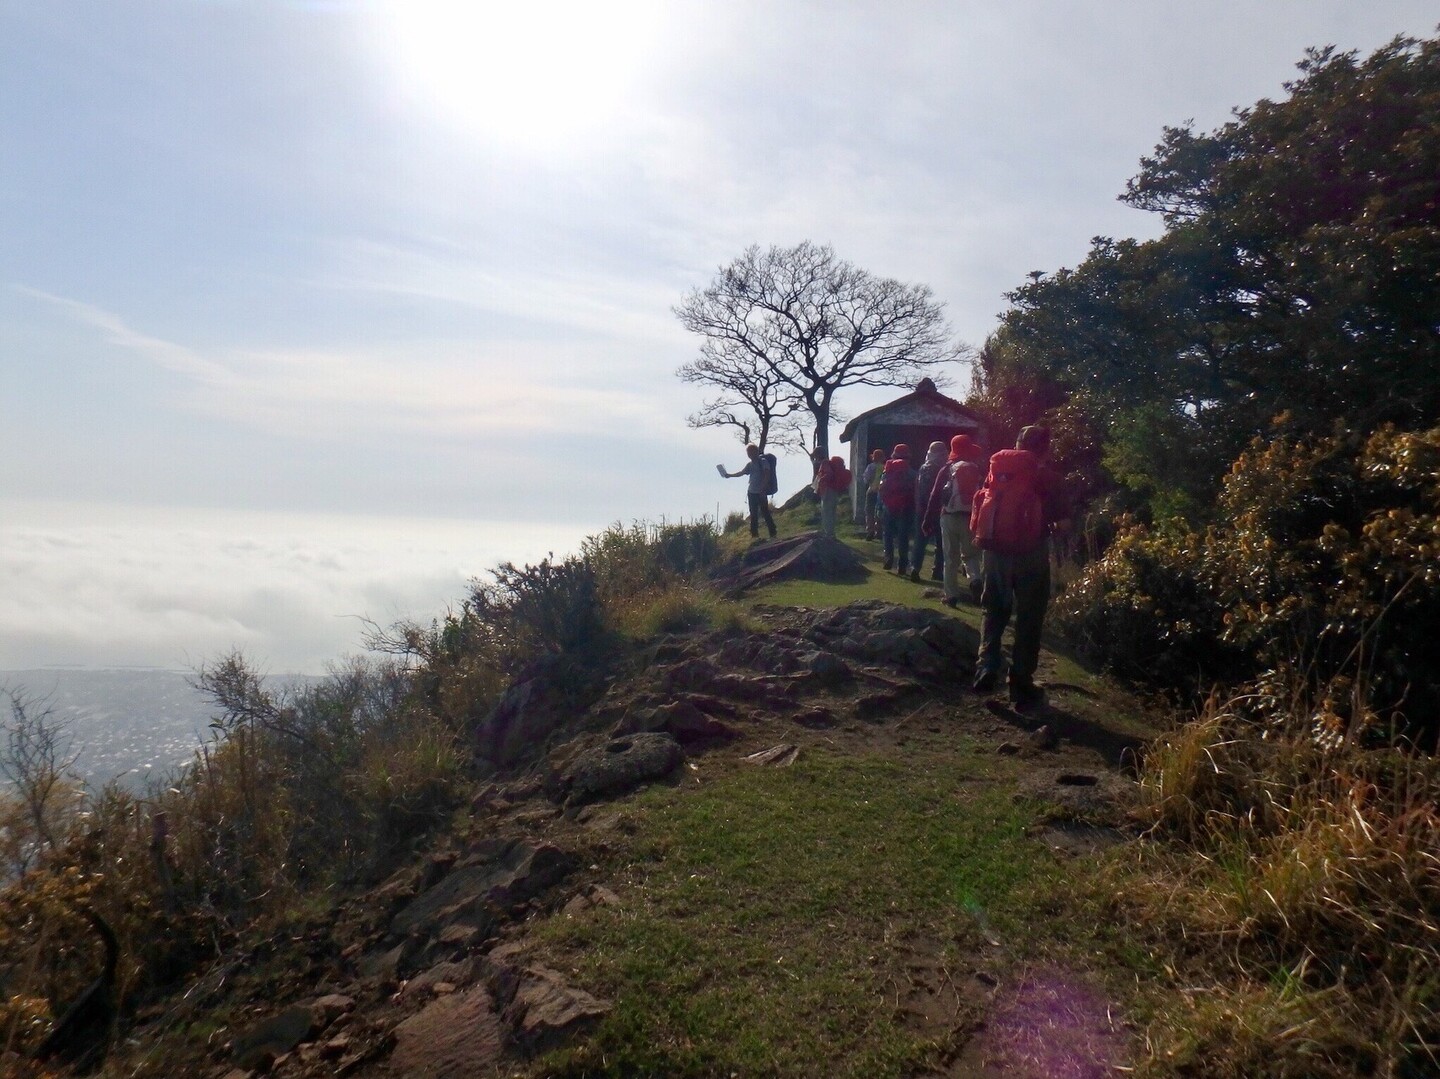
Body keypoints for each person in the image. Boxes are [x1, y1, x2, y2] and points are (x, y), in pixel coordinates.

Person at [971, 425, 1070, 711]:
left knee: (994, 608)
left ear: (1017, 443)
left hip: (996, 554)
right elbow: (1063, 524)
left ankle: (986, 666)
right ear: (1045, 449)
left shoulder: (997, 470)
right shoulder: (1049, 478)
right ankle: (1020, 683)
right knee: (1029, 616)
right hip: (1032, 554)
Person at [922, 433, 985, 608]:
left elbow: (935, 496)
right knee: (971, 555)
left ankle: (951, 596)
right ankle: (975, 579)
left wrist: (927, 520)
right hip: (970, 518)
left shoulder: (947, 469)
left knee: (950, 558)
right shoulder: (977, 469)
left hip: (948, 516)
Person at [909, 441, 948, 582]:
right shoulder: (945, 469)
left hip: (922, 509)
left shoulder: (922, 468)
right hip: (939, 509)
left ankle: (915, 567)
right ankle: (937, 571)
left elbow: (917, 489)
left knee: (920, 540)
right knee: (941, 542)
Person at [721, 444, 777, 539]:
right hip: (751, 492)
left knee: (765, 512)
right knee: (753, 513)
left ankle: (773, 532)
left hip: (761, 491)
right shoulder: (750, 464)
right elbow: (741, 473)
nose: (749, 454)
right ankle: (754, 535)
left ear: (756, 451)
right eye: (748, 452)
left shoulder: (763, 462)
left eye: (751, 452)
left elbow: (767, 475)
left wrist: (762, 489)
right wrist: (729, 475)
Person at [878, 443, 917, 573]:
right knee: (903, 536)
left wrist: (880, 506)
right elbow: (915, 491)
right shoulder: (912, 473)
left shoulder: (887, 470)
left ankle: (888, 557)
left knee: (888, 534)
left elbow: (881, 490)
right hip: (905, 507)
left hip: (888, 506)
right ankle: (902, 564)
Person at [812, 452, 851, 538]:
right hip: (835, 490)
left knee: (826, 512)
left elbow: (828, 474)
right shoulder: (833, 464)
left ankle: (828, 533)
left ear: (818, 456)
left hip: (827, 489)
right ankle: (831, 532)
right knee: (832, 512)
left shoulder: (825, 463)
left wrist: (821, 480)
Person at [861, 448, 886, 539]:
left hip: (872, 490)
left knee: (869, 511)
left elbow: (866, 479)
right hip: (882, 492)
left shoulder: (871, 467)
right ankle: (878, 531)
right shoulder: (885, 467)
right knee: (879, 511)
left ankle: (870, 531)